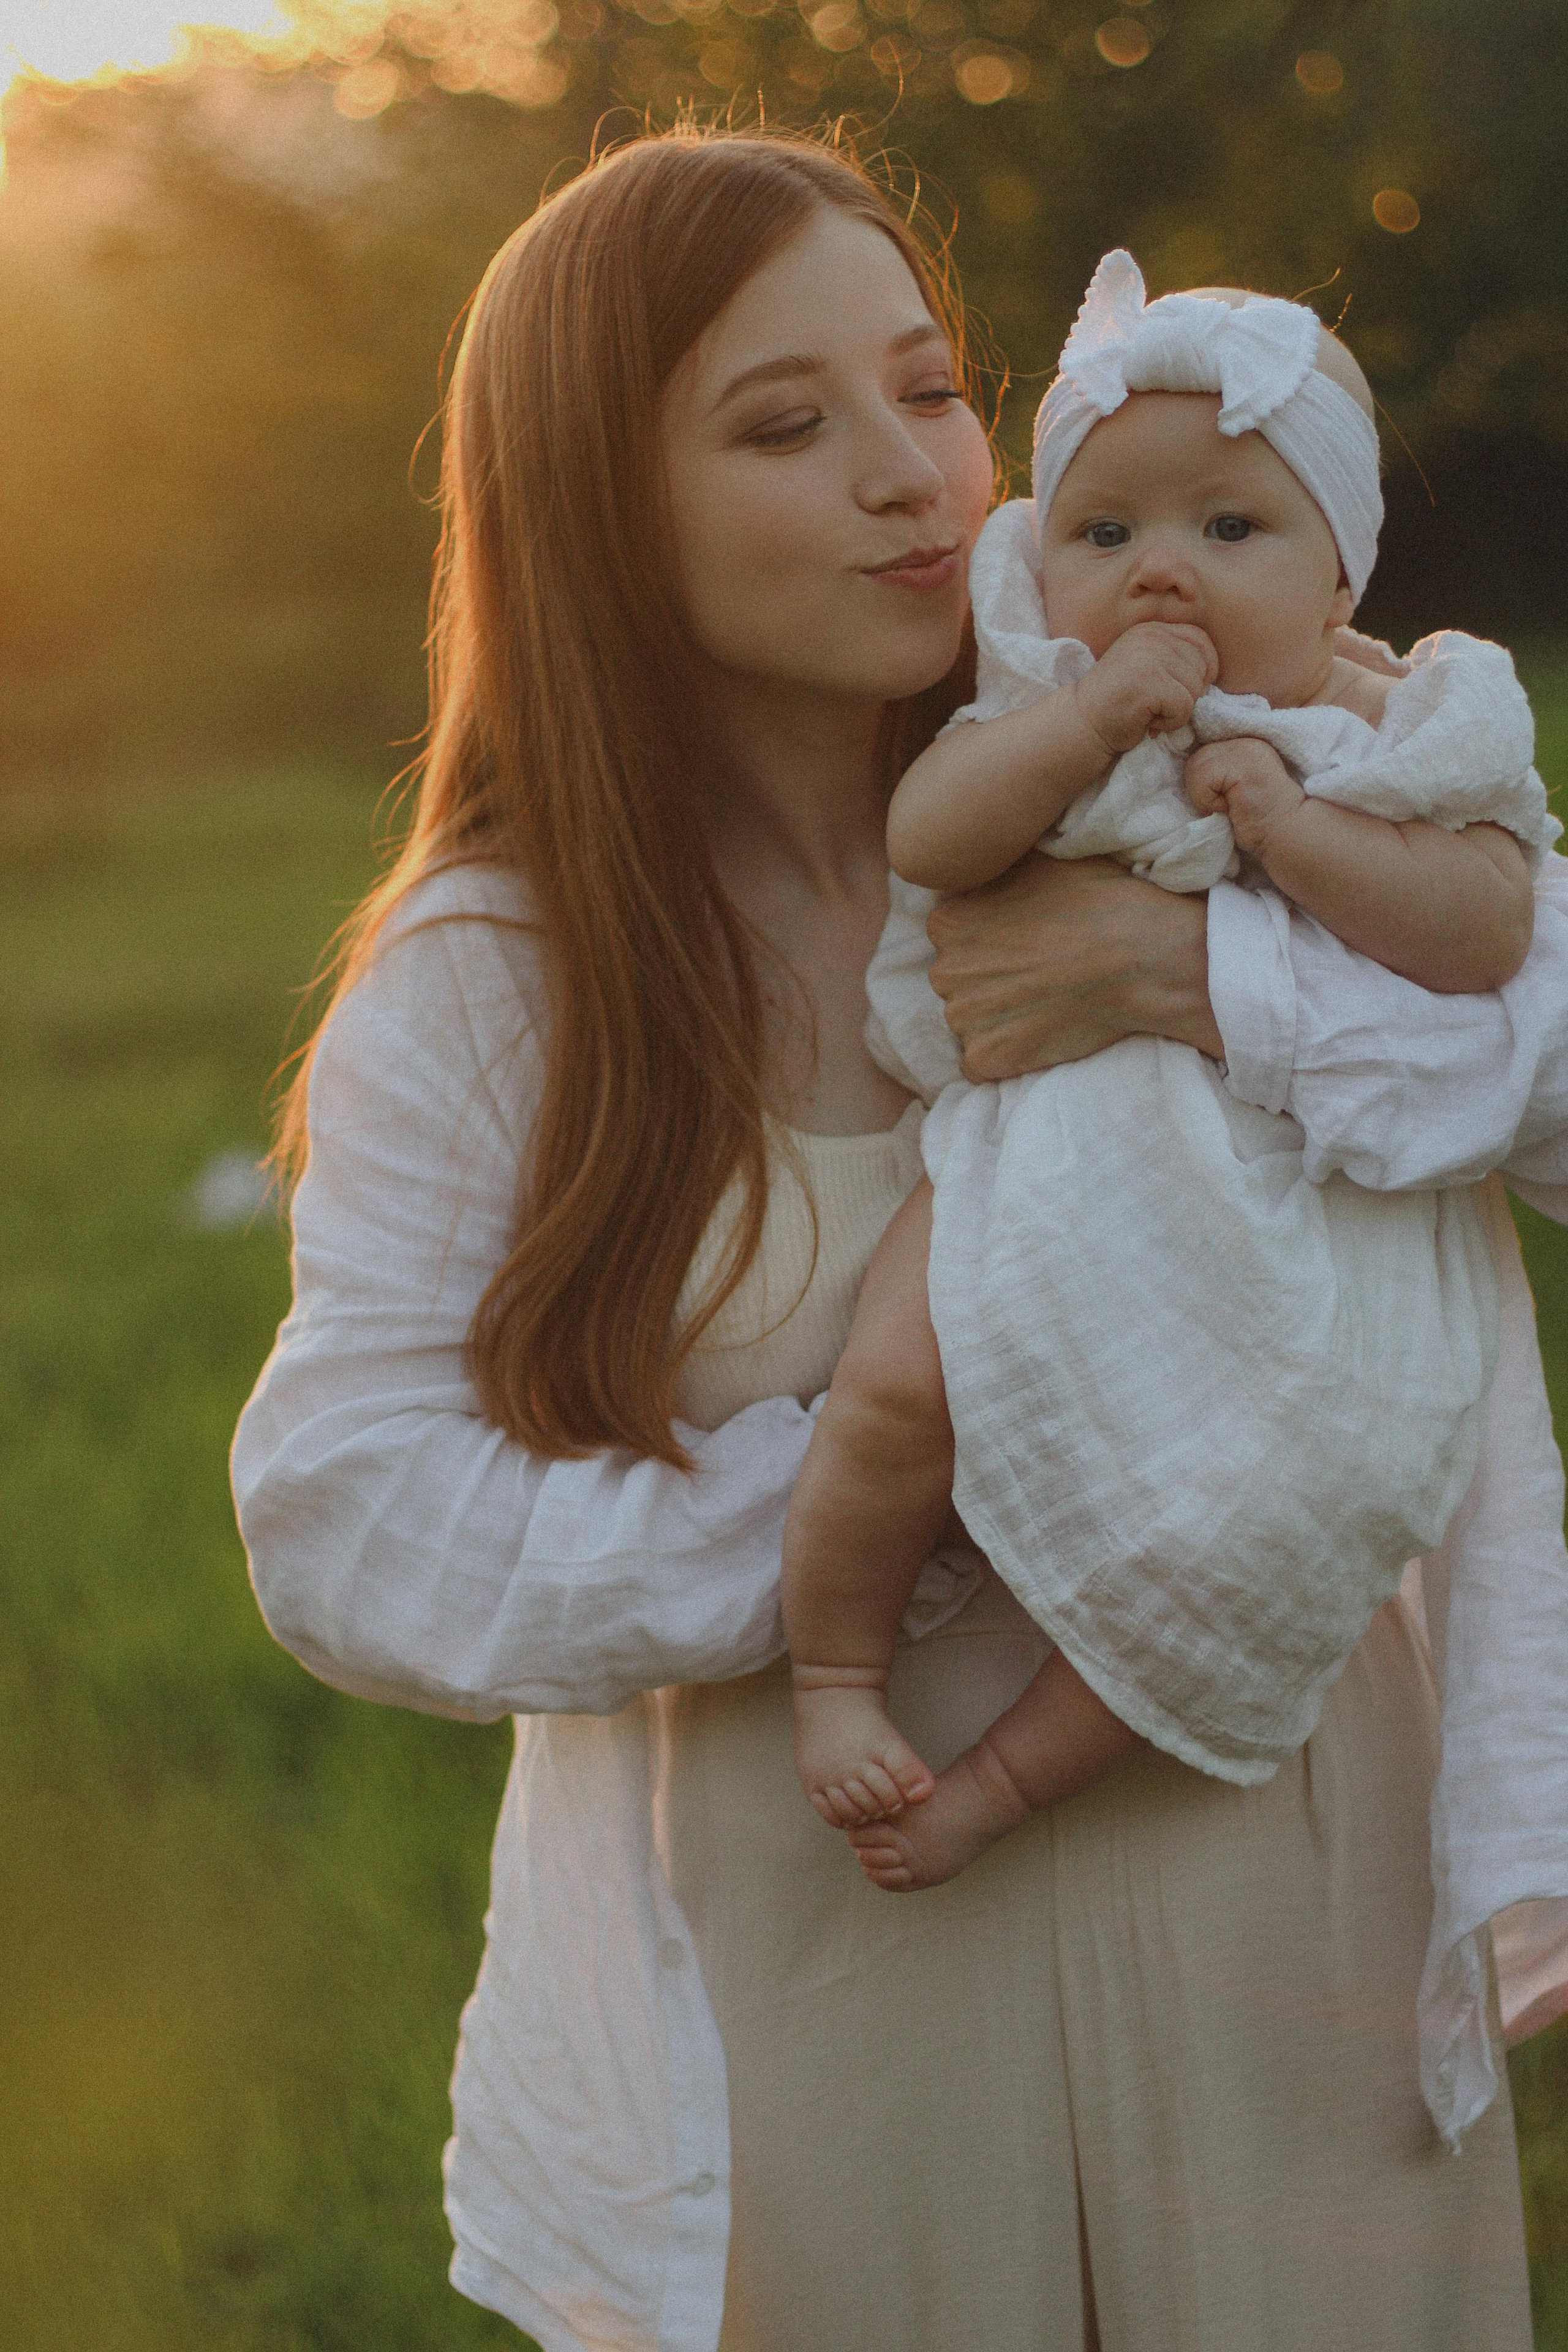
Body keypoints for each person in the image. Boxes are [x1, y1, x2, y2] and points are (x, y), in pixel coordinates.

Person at [233, 127, 1568, 2352]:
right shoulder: (504, 967)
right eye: (788, 425)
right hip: (822, 1939)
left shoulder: (1184, 737)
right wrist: (898, 1508)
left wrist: (1190, 982)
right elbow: (343, 1515)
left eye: (934, 392)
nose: (916, 477)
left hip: (1273, 1875)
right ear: (597, 509)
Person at [780, 252, 1560, 1909]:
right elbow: (930, 839)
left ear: (1342, 580)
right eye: (1106, 532)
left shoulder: (1396, 730)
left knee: (1272, 1518)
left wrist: (1300, 835)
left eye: (1229, 531)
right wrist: (1076, 738)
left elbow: (1488, 930)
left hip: (1288, 1211)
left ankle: (999, 1778)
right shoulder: (1037, 699)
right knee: (901, 1380)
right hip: (1032, 1162)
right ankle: (830, 1672)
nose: (1159, 576)